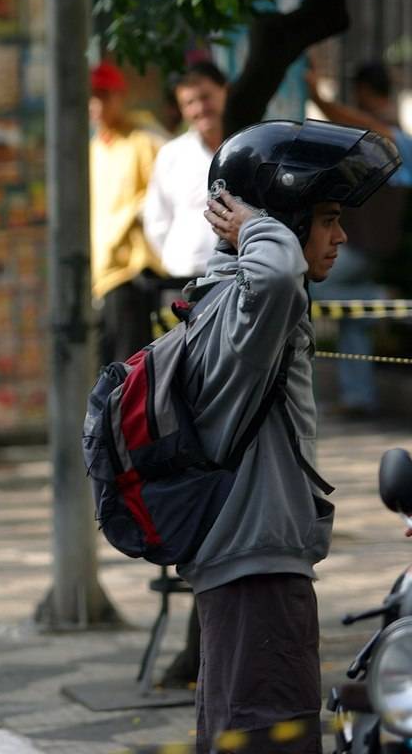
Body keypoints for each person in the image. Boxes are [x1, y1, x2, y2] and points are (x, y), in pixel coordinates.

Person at [184, 119, 400, 753]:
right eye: (327, 218)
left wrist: (256, 227)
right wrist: (255, 222)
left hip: (250, 560)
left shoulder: (234, 301)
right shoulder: (253, 305)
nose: (341, 235)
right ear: (283, 220)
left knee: (244, 734)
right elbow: (277, 275)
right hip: (258, 570)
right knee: (268, 737)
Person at [305, 61, 412, 417]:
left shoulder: (393, 137)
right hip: (368, 246)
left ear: (364, 91)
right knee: (354, 318)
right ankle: (359, 398)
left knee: (303, 286)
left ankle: (382, 298)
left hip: (366, 247)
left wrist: (317, 96)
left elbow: (353, 121)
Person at [88, 60, 165, 365]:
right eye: (92, 96)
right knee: (104, 364)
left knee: (127, 365)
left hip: (131, 271)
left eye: (104, 95)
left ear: (120, 97)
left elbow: (157, 196)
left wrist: (130, 218)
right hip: (100, 272)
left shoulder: (143, 140)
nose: (96, 105)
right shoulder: (93, 149)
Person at [144, 61, 228, 282]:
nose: (200, 109)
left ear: (224, 92)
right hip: (184, 275)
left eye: (205, 97)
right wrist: (176, 258)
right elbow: (156, 221)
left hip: (238, 276)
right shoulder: (171, 155)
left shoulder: (248, 147)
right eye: (190, 102)